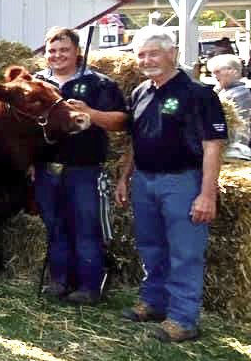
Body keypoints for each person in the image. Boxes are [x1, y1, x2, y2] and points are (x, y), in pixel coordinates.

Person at [115, 26, 227, 342]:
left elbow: (212, 146)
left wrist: (207, 194)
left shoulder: (198, 94)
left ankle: (183, 319)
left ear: (172, 53)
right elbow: (135, 141)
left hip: (181, 182)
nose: (147, 59)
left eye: (154, 52)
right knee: (151, 246)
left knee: (184, 252)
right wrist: (125, 177)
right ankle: (154, 303)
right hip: (145, 181)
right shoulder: (140, 93)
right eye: (141, 54)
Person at [32, 27, 128, 305]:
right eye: (52, 50)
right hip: (46, 167)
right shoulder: (38, 84)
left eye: (64, 50)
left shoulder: (99, 83)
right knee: (55, 227)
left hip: (84, 168)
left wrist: (91, 113)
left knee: (86, 228)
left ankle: (88, 286)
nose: (57, 55)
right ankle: (59, 280)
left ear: (77, 52)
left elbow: (121, 122)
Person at [208, 53, 251, 160]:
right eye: (212, 72)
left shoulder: (239, 94)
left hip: (237, 148)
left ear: (233, 71)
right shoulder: (225, 91)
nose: (214, 75)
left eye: (217, 71)